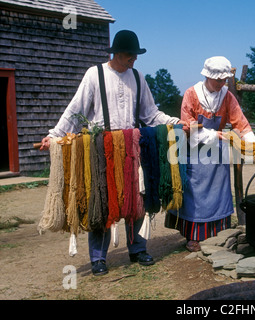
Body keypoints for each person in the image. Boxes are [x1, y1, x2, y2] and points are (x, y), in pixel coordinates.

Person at [40, 30, 183, 276]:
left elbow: (151, 114)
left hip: (132, 148)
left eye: (136, 56)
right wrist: (55, 134)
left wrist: (175, 122)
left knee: (136, 199)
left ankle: (137, 249)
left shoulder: (138, 78)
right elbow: (75, 110)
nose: (134, 60)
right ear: (117, 53)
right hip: (101, 148)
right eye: (130, 55)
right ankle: (98, 258)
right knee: (102, 202)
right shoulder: (94, 75)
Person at [170, 56, 255, 252]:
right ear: (208, 76)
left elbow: (241, 124)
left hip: (217, 152)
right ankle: (193, 236)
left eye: (224, 80)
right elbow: (187, 126)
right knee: (196, 194)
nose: (221, 83)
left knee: (219, 192)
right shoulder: (192, 94)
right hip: (194, 150)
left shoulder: (227, 97)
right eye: (217, 80)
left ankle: (218, 234)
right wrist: (212, 134)